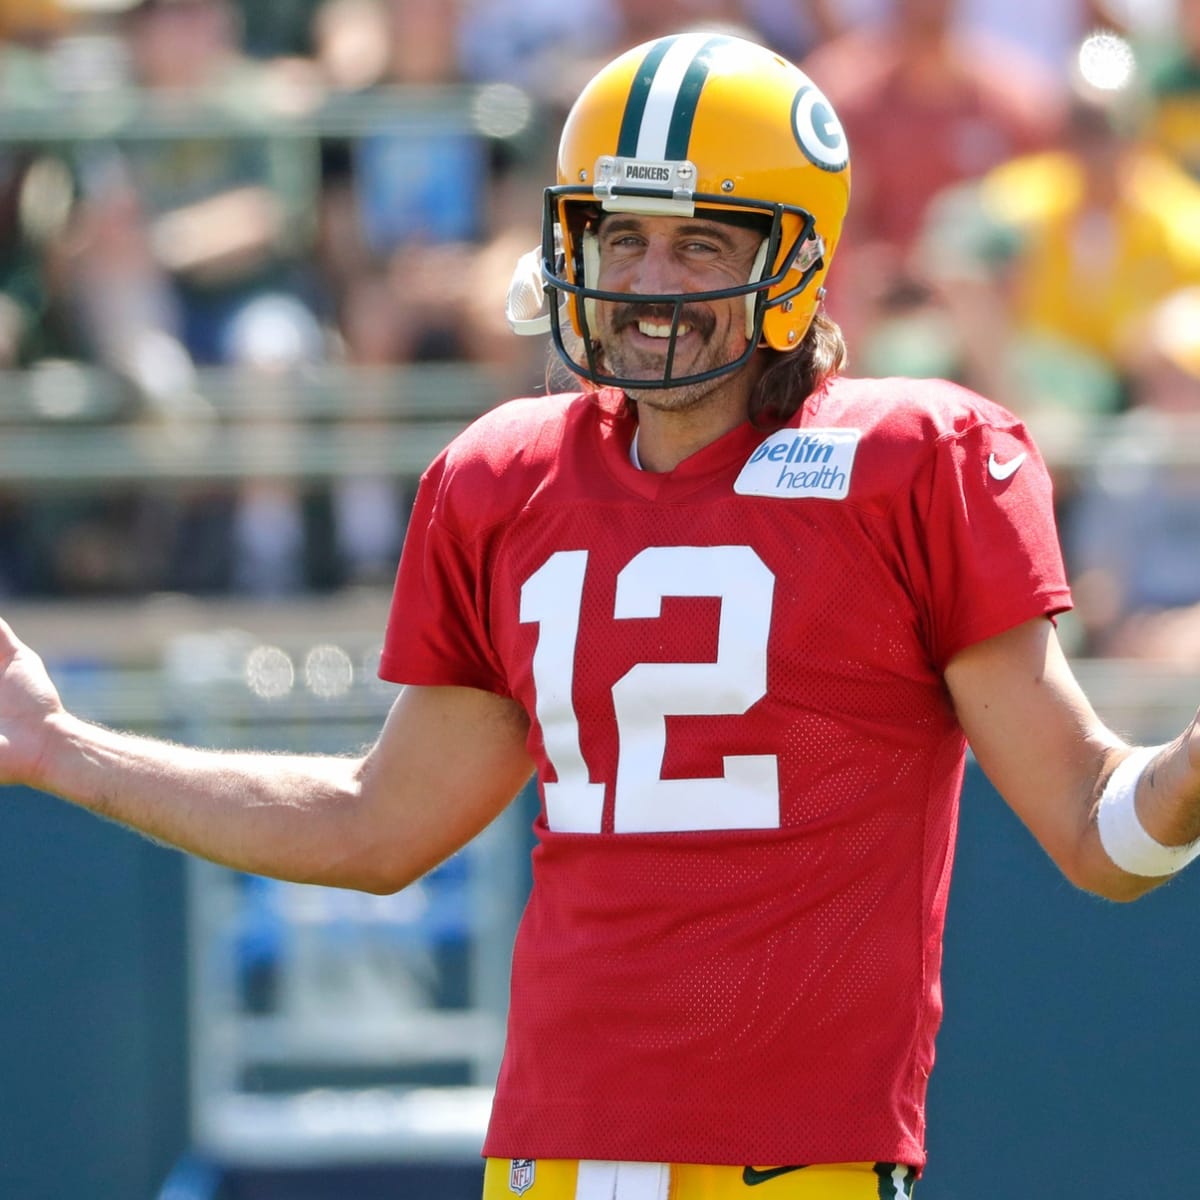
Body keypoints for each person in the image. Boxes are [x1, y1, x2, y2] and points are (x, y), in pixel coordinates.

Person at [2, 31, 1200, 1200]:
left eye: (696, 244)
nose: (645, 283)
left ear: (794, 262)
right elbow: (377, 828)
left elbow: (1101, 833)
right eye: (620, 235)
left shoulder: (917, 463)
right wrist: (64, 749)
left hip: (791, 1171)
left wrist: (1190, 768)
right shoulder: (503, 479)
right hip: (546, 1165)